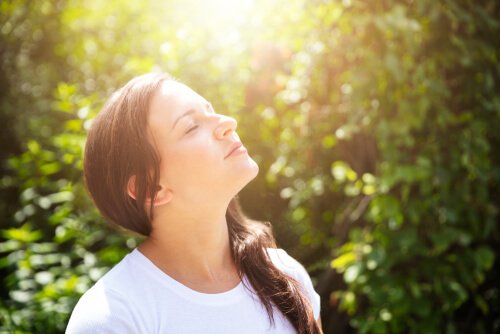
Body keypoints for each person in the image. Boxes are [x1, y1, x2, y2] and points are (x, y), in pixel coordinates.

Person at [66, 72, 322, 334]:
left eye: (211, 110)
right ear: (151, 187)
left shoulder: (285, 274)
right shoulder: (113, 318)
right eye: (191, 126)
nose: (228, 122)